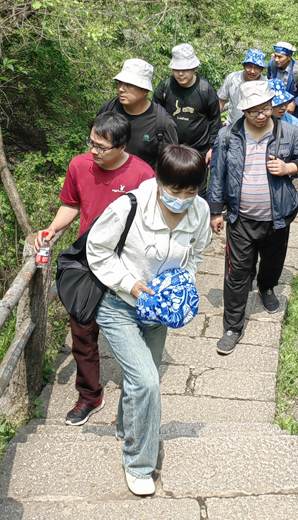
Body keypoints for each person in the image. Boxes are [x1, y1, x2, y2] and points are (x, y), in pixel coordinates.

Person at [87, 145, 212, 496]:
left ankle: (127, 428)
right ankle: (139, 465)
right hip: (120, 307)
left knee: (141, 380)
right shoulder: (129, 206)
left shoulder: (198, 211)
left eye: (192, 191)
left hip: (158, 312)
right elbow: (96, 249)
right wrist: (130, 284)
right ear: (159, 181)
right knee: (147, 381)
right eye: (175, 191)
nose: (183, 199)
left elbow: (198, 252)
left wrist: (183, 282)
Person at [33, 112, 156, 426]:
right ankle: (90, 395)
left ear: (122, 146)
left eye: (102, 147)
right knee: (82, 331)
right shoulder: (79, 165)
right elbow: (71, 205)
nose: (95, 152)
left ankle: (136, 393)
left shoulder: (142, 175)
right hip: (87, 262)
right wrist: (51, 230)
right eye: (92, 144)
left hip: (127, 266)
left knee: (133, 328)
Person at [208, 81, 298, 355]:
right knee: (237, 273)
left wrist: (289, 167)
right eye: (254, 110)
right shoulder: (227, 136)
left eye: (266, 108)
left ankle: (267, 287)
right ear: (243, 110)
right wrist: (215, 211)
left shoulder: (289, 133)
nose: (261, 115)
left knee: (272, 262)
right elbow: (217, 174)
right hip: (240, 219)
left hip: (278, 217)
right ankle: (232, 327)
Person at [98, 58, 179, 169]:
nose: (121, 89)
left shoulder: (162, 122)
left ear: (145, 90)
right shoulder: (108, 108)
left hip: (143, 183)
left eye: (129, 85)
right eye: (120, 83)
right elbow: (94, 145)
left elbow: (171, 166)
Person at [153, 43, 222, 170]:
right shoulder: (165, 88)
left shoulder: (205, 89)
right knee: (171, 188)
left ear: (194, 68)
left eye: (185, 69)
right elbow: (155, 116)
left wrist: (212, 148)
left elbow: (214, 121)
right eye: (176, 69)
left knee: (197, 189)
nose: (180, 74)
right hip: (170, 150)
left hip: (198, 151)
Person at [269, 79, 298, 217]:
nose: (283, 107)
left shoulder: (294, 124)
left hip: (284, 184)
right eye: (277, 104)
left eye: (285, 103)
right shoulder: (254, 123)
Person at [218, 49, 267, 124]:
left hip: (255, 127)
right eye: (249, 66)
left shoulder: (265, 84)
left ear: (262, 69)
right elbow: (221, 102)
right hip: (232, 125)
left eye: (257, 68)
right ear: (244, 65)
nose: (252, 71)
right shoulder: (232, 78)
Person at [266, 42, 298, 120]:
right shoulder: (272, 65)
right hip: (273, 109)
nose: (276, 60)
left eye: (280, 57)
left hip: (291, 111)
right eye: (275, 56)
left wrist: (294, 103)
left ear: (289, 57)